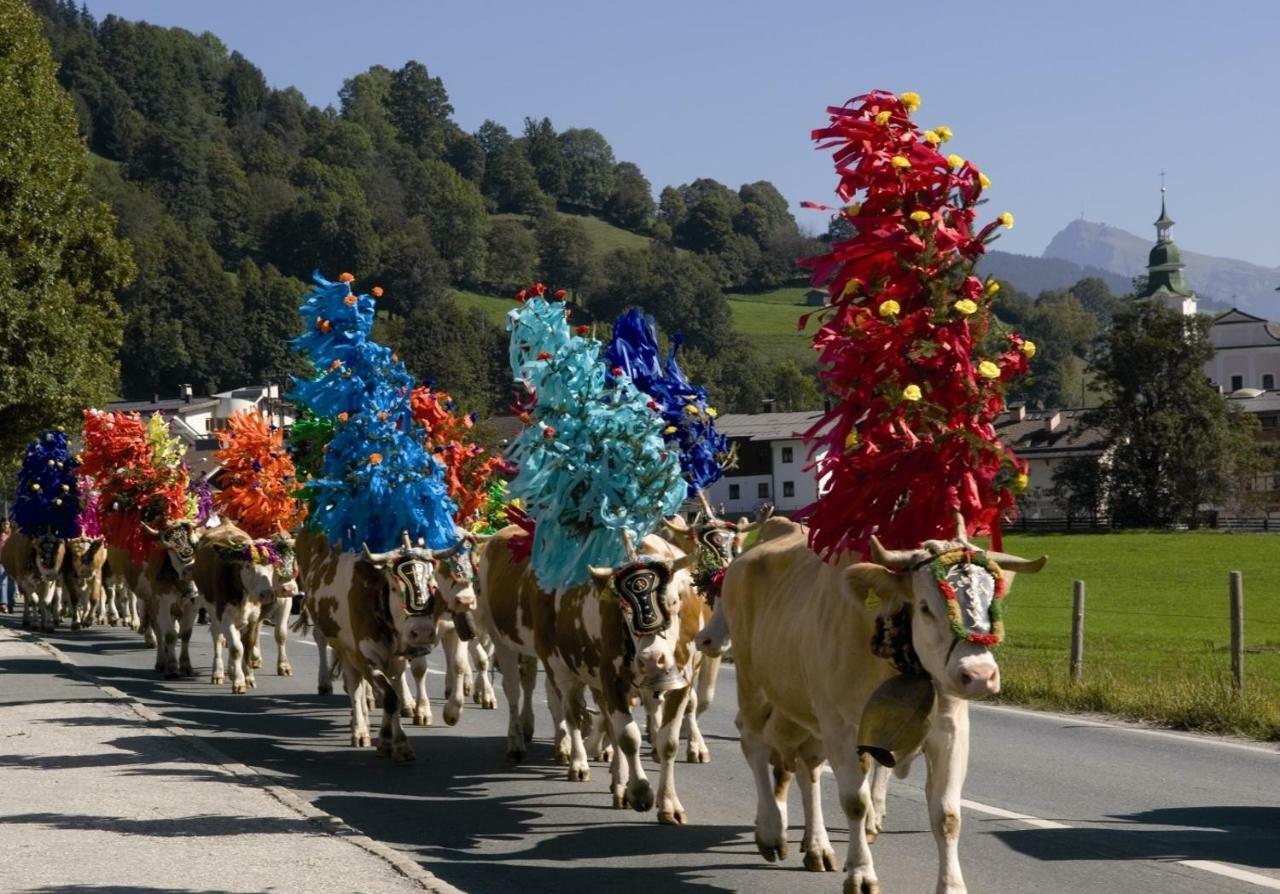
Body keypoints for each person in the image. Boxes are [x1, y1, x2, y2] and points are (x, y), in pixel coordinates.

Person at [0, 518, 16, 614]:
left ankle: (11, 603)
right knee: (2, 582)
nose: (5, 526)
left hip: (13, 562)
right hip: (1, 561)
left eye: (7, 524)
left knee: (11, 584)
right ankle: (3, 603)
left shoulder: (13, 536)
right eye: (4, 524)